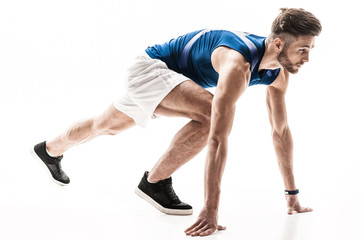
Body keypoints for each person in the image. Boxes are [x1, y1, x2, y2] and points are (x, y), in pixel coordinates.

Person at [32, 8, 322, 237]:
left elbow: (280, 131)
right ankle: (154, 182)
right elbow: (218, 137)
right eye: (303, 49)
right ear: (278, 43)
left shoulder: (278, 74)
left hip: (176, 83)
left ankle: (50, 149)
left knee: (106, 125)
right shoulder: (239, 64)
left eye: (311, 49)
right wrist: (211, 209)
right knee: (210, 115)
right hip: (153, 68)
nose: (308, 58)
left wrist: (292, 194)